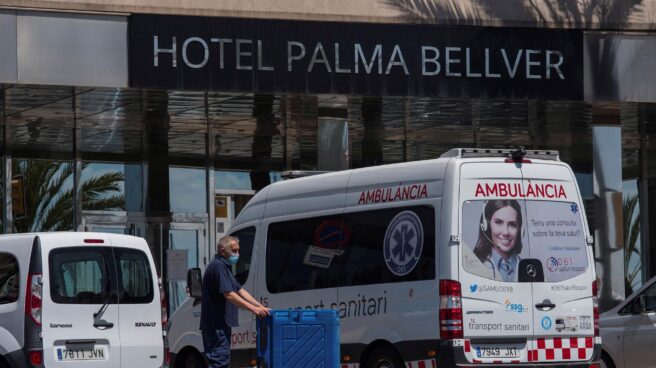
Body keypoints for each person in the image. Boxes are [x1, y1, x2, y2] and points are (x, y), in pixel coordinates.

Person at [200, 235, 270, 368]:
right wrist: (254, 310)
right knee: (219, 362)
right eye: (234, 251)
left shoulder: (225, 268)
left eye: (238, 250)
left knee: (222, 361)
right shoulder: (218, 267)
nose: (237, 254)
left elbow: (240, 291)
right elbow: (230, 295)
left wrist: (261, 306)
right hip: (216, 325)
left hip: (220, 325)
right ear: (222, 250)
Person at [472, 200, 523, 282]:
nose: (506, 232)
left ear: (520, 229)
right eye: (498, 222)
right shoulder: (473, 266)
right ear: (486, 226)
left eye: (512, 224)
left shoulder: (530, 268)